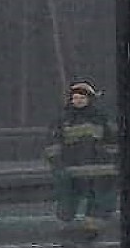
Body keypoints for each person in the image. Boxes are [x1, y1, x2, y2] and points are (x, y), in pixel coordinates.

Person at [45, 80, 118, 239]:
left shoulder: (101, 118)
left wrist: (112, 161)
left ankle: (92, 229)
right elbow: (53, 142)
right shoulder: (63, 119)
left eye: (82, 98)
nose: (78, 101)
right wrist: (57, 163)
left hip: (97, 167)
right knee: (67, 196)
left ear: (89, 99)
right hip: (71, 166)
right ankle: (65, 227)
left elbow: (112, 140)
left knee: (98, 196)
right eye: (75, 98)